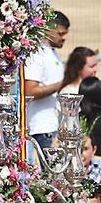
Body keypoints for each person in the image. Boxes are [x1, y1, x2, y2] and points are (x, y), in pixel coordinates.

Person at [24, 12, 76, 151]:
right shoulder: (37, 53)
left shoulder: (51, 53)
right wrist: (61, 84)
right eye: (60, 34)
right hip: (39, 128)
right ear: (48, 30)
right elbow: (29, 91)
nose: (63, 38)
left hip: (51, 126)